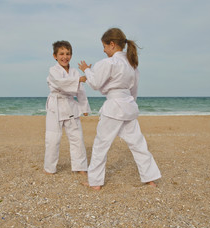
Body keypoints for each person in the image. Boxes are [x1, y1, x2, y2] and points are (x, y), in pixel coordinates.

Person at [78, 28, 161, 190]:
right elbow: (134, 91)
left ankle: (95, 182)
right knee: (138, 144)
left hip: (114, 107)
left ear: (112, 44)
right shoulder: (132, 65)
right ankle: (150, 178)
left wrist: (86, 70)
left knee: (101, 144)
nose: (103, 50)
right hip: (128, 106)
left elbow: (95, 84)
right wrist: (130, 105)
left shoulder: (109, 63)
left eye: (104, 46)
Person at [44, 40, 91, 175]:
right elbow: (60, 83)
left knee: (77, 137)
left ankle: (80, 167)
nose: (65, 57)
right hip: (56, 107)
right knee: (53, 139)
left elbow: (80, 91)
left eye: (68, 53)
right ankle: (49, 168)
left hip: (71, 106)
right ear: (55, 56)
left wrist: (84, 107)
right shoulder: (53, 71)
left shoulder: (75, 72)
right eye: (62, 54)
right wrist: (79, 80)